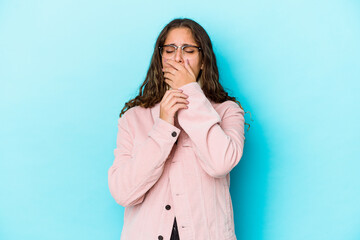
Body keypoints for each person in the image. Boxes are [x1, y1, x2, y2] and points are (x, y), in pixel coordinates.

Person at [108, 17, 249, 240]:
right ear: (160, 58)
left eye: (189, 50)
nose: (178, 58)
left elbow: (221, 162)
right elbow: (123, 192)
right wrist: (163, 126)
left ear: (203, 61)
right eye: (170, 49)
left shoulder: (227, 111)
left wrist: (190, 92)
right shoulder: (134, 117)